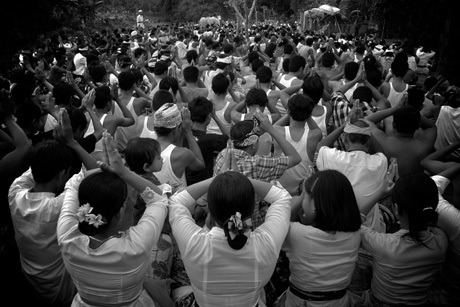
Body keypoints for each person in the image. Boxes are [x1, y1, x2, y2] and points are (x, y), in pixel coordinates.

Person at [57, 132, 174, 307]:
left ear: (83, 207)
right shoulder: (136, 245)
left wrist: (104, 170)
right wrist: (122, 171)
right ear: (120, 213)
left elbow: (73, 183)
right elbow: (159, 199)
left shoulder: (67, 236)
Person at [9, 108, 98, 306]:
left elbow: (41, 162)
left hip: (30, 279)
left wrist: (56, 145)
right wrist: (72, 142)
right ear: (61, 174)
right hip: (60, 289)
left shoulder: (15, 192)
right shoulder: (59, 205)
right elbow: (95, 171)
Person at [168, 167, 292, 306]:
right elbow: (282, 197)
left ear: (210, 211)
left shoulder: (194, 242)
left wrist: (219, 179)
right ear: (252, 209)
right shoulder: (267, 242)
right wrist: (241, 179)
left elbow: (176, 201)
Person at [360, 172, 448, 306]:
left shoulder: (384, 244)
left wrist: (379, 193)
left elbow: (354, 223)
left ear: (395, 209)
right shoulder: (440, 241)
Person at [280, 170, 362, 307]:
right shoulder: (355, 233)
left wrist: (301, 196)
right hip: (340, 302)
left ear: (315, 205)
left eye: (305, 197)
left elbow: (279, 224)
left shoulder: (297, 233)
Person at [274, 94, 322, 196]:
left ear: (288, 112)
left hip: (279, 191)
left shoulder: (279, 131)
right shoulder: (313, 135)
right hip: (302, 192)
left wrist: (290, 113)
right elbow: (319, 132)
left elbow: (274, 126)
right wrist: (308, 116)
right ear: (309, 115)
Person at [152, 103, 205, 192]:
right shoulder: (183, 154)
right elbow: (200, 165)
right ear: (177, 128)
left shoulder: (145, 146)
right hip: (176, 203)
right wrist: (188, 131)